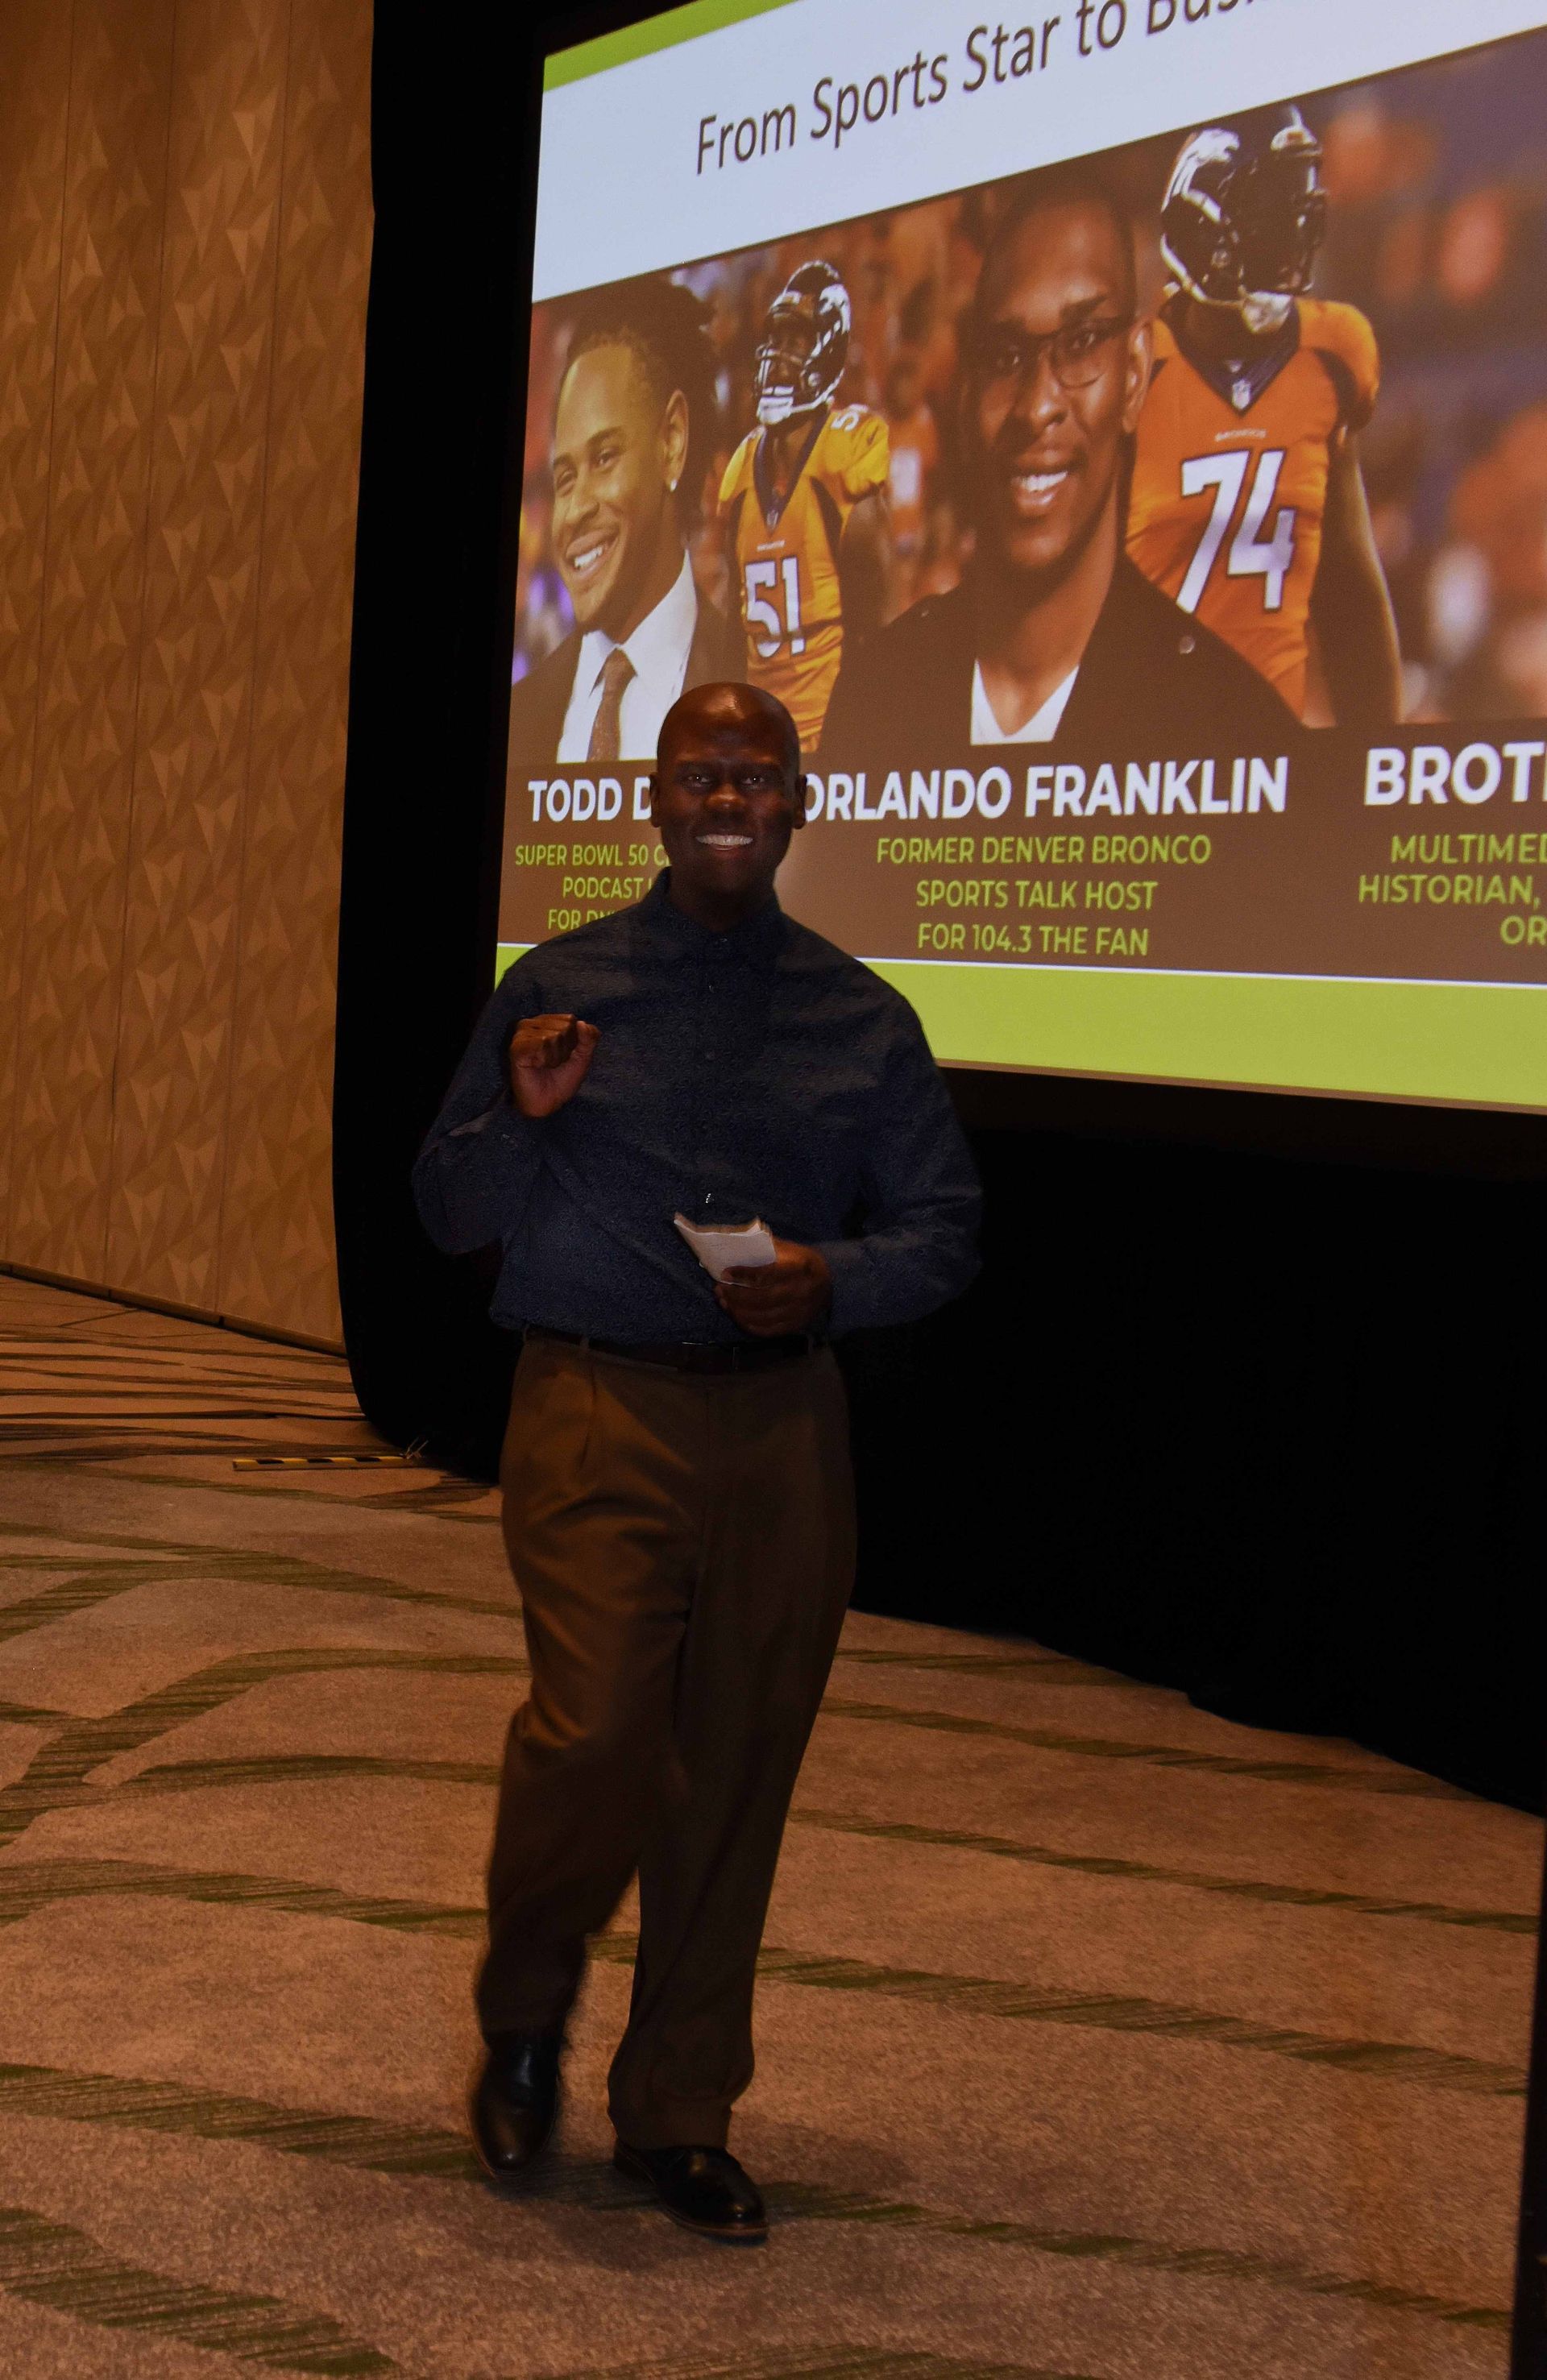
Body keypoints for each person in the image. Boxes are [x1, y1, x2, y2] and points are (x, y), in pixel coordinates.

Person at [413, 681, 980, 2244]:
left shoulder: (866, 1020)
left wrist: (836, 1281)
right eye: (697, 769)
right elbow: (447, 1209)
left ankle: (677, 2109)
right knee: (597, 1736)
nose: (726, 791)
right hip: (598, 1406)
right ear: (649, 799)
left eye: (757, 770)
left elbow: (945, 1229)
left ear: (799, 803)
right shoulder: (567, 983)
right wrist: (522, 1119)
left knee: (735, 1774)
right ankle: (525, 2007)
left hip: (787, 1429)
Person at [822, 168, 1299, 753]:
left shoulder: (1231, 729)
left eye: (1080, 345)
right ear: (968, 390)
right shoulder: (876, 693)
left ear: (1133, 375)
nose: (1038, 404)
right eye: (1005, 355)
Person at [1126, 106, 1403, 724]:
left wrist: (1379, 759)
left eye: (1294, 213)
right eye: (1268, 218)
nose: (1288, 237)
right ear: (1204, 226)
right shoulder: (1133, 372)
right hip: (1142, 748)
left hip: (1268, 748)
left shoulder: (1332, 353)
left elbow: (1351, 592)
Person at [507, 278, 743, 769]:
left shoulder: (755, 684)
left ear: (672, 442)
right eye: (565, 478)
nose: (573, 512)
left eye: (605, 457)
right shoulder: (519, 718)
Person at [720, 262, 892, 754]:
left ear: (828, 349)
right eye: (775, 340)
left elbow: (878, 637)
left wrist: (855, 745)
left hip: (830, 742)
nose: (778, 357)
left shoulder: (843, 457)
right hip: (761, 747)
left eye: (796, 342)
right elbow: (738, 632)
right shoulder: (741, 470)